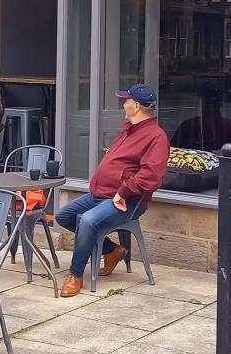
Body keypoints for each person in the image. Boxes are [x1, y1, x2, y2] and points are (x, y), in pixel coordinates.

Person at [54, 83, 169, 296]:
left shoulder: (156, 137)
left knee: (88, 220)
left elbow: (151, 176)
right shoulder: (128, 130)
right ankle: (112, 250)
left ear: (136, 105)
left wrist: (123, 192)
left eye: (126, 101)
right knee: (63, 216)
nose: (123, 104)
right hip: (102, 194)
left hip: (128, 201)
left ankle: (75, 275)